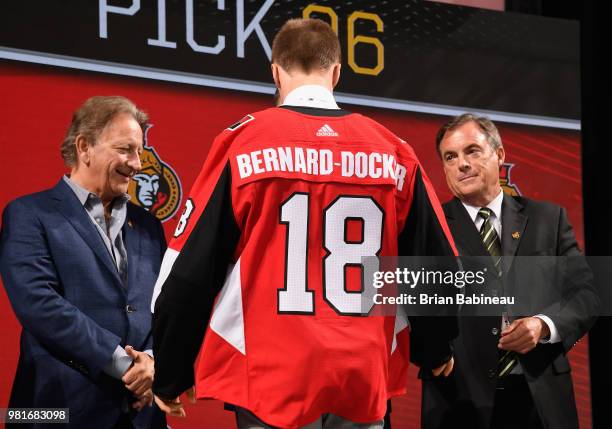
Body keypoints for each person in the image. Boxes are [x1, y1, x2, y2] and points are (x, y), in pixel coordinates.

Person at [151, 18, 457, 429]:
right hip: (361, 378)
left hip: (270, 381)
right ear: (336, 73)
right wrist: (436, 350)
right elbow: (439, 268)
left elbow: (189, 273)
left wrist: (171, 370)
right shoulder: (393, 150)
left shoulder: (244, 143)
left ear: (275, 72)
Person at [421, 113, 599, 429]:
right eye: (450, 157)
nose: (461, 164)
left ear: (500, 154)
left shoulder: (549, 219)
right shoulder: (431, 225)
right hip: (460, 400)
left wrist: (543, 326)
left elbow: (587, 295)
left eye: (472, 151)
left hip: (540, 399)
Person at [0, 96, 167, 428]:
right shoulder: (29, 214)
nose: (136, 164)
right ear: (84, 147)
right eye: (125, 149)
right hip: (53, 411)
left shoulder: (149, 227)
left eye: (139, 152)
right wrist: (125, 365)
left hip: (141, 414)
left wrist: (151, 362)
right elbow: (39, 305)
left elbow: (164, 308)